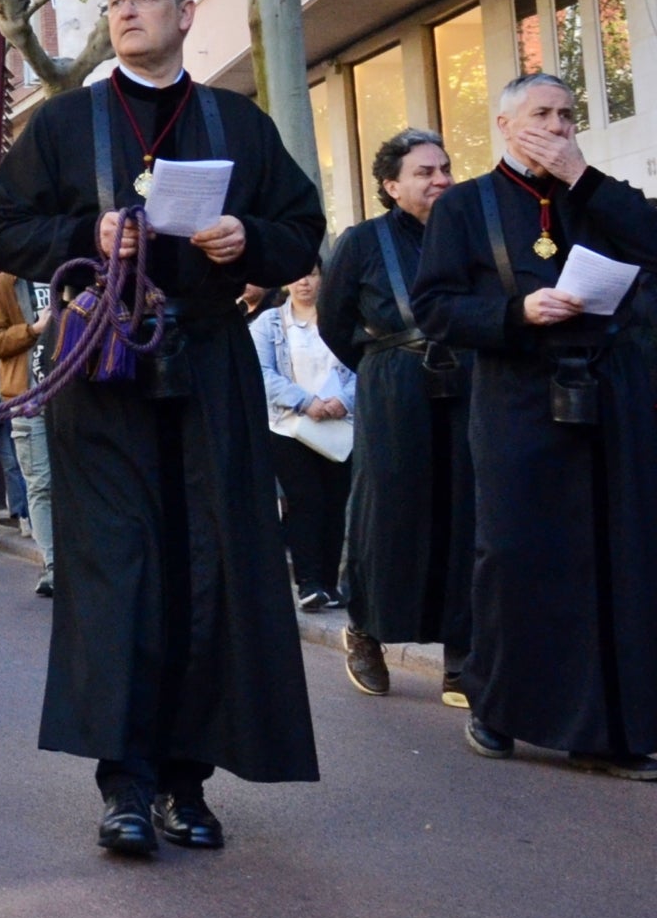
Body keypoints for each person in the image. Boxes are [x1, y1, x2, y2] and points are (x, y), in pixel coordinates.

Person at [0, 0, 323, 857]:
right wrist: (79, 233)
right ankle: (123, 784)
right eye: (115, 2)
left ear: (184, 13)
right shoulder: (63, 123)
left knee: (205, 569)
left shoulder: (238, 123)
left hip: (208, 369)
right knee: (116, 572)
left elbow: (301, 230)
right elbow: (0, 229)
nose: (126, 13)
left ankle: (186, 780)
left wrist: (248, 239)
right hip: (103, 376)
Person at [411, 72, 657, 778]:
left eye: (567, 115)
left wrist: (581, 176)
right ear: (503, 124)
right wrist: (517, 314)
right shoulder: (465, 206)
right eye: (541, 114)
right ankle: (497, 707)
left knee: (613, 559)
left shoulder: (599, 196)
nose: (557, 127)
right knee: (514, 554)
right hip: (517, 397)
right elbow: (435, 308)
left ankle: (611, 731)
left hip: (609, 395)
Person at [321, 128, 471, 703]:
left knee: (464, 512)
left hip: (465, 380)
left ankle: (462, 655)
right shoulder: (363, 241)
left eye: (445, 169)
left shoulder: (466, 235)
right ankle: (364, 630)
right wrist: (382, 365)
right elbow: (335, 323)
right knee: (388, 514)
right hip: (393, 385)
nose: (440, 180)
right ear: (391, 185)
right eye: (425, 172)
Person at [252, 269, 353, 612]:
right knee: (305, 499)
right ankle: (308, 582)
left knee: (335, 502)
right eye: (295, 275)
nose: (303, 282)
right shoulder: (270, 322)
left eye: (310, 274)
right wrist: (305, 401)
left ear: (324, 277)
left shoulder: (340, 317)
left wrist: (344, 401)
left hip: (339, 427)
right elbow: (261, 372)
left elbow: (361, 362)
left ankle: (329, 582)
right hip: (290, 427)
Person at [0, 269, 57, 597]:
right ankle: (53, 564)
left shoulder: (72, 270)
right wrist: (33, 329)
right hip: (27, 398)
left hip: (74, 394)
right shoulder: (5, 283)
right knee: (40, 484)